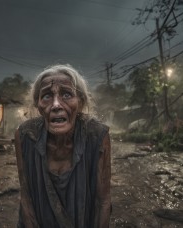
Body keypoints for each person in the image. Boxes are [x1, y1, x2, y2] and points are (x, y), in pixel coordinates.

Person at [14, 64, 111, 228]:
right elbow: (26, 197)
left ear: (80, 103)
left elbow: (102, 202)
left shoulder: (97, 135)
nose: (56, 105)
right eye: (46, 96)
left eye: (67, 94)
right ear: (38, 106)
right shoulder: (25, 136)